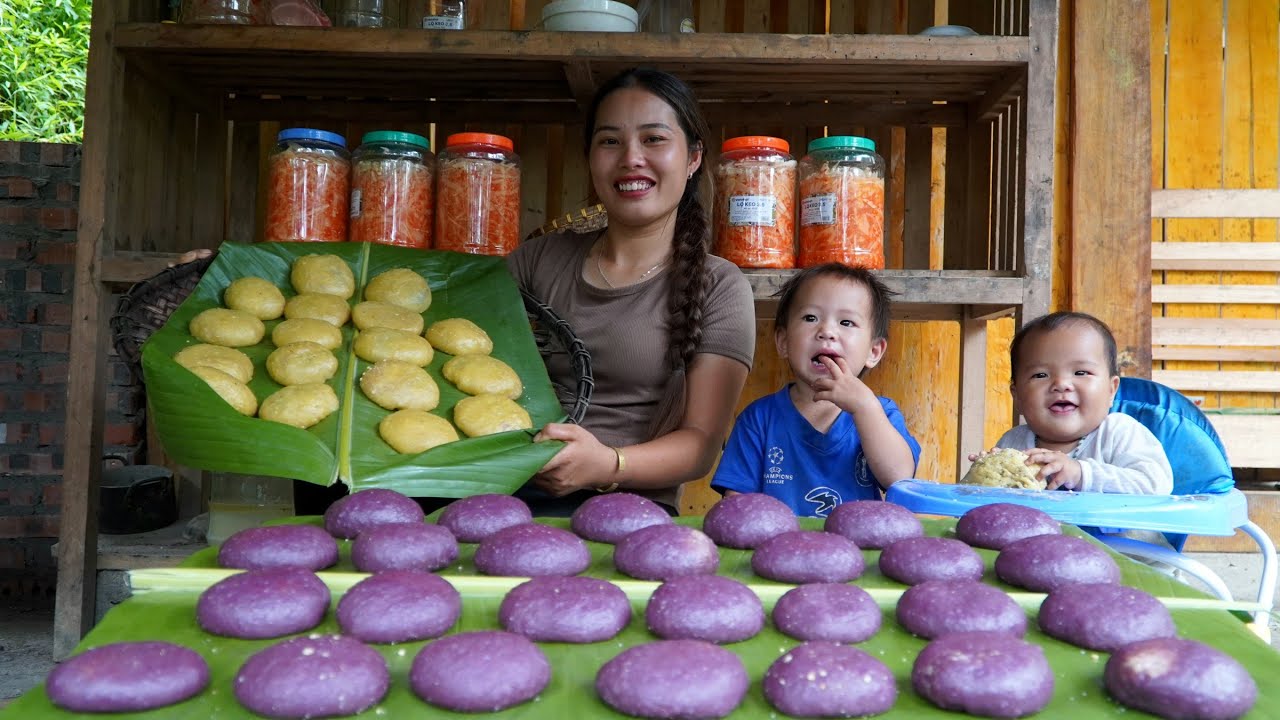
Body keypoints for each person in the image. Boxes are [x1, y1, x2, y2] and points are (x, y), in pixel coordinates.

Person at [507, 68, 756, 516]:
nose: (630, 158)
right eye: (609, 141)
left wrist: (606, 464)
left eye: (654, 139)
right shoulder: (534, 261)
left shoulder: (719, 287)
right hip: (503, 489)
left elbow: (700, 445)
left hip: (627, 508)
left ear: (694, 157)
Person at [710, 263, 920, 517]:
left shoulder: (880, 413)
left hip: (857, 550)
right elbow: (736, 509)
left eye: (846, 322)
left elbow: (898, 478)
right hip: (780, 550)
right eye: (811, 318)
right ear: (784, 342)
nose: (827, 332)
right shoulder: (759, 419)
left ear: (873, 351)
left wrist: (864, 408)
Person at [976, 311, 1173, 494]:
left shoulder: (1119, 433)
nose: (1061, 384)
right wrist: (984, 479)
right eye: (1041, 375)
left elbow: (1156, 485)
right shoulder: (1014, 443)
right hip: (1039, 531)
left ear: (1111, 390)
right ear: (1017, 395)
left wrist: (1081, 473)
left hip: (1116, 532)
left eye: (1081, 373)